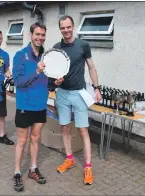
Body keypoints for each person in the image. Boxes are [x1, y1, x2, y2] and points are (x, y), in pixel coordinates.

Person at [53, 15, 102, 185]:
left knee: (83, 131)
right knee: (65, 128)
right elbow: (54, 71)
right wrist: (55, 81)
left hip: (78, 94)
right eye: (62, 28)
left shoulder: (83, 45)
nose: (66, 30)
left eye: (68, 27)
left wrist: (97, 88)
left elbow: (91, 67)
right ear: (60, 29)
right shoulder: (56, 48)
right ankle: (69, 159)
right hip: (62, 94)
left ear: (73, 26)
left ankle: (88, 167)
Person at [12, 22, 48, 192]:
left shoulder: (46, 57)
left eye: (43, 35)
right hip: (24, 105)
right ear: (31, 35)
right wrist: (37, 71)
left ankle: (33, 169)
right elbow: (18, 82)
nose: (40, 38)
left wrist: (55, 82)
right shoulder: (20, 55)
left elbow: (47, 81)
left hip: (40, 105)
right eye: (37, 34)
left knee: (35, 138)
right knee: (22, 140)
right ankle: (17, 172)